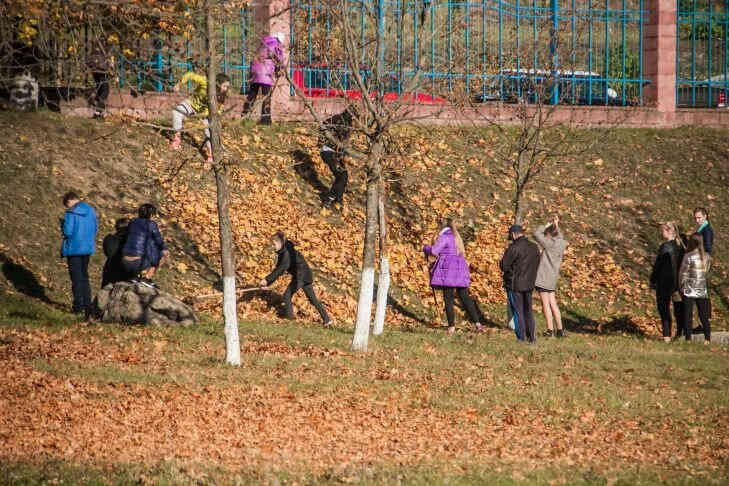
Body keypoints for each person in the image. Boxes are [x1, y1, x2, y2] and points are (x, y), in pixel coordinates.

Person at [424, 219, 484, 334]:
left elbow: (434, 251)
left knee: (448, 298)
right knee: (465, 297)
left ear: (441, 228)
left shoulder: (444, 237)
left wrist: (426, 248)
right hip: (460, 270)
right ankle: (478, 323)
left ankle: (451, 326)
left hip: (448, 271)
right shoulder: (457, 237)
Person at [259, 231, 332, 327]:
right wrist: (267, 283)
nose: (273, 246)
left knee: (287, 295)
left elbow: (281, 269)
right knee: (312, 299)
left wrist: (267, 280)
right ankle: (327, 319)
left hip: (301, 277)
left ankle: (290, 319)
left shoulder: (287, 253)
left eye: (274, 244)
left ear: (280, 242)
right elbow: (278, 269)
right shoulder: (283, 251)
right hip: (304, 275)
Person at [170, 71, 232, 162]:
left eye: (227, 87)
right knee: (176, 112)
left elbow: (218, 109)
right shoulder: (205, 82)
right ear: (218, 83)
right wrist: (179, 84)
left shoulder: (221, 95)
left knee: (208, 130)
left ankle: (210, 155)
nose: (226, 89)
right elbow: (189, 75)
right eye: (225, 86)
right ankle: (177, 139)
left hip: (204, 113)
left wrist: (214, 115)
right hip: (191, 104)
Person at [500, 224, 541, 343]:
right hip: (529, 283)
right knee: (528, 310)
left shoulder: (513, 248)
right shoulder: (534, 247)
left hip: (515, 285)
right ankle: (532, 337)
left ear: (513, 234)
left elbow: (504, 266)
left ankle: (521, 337)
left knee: (518, 311)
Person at [60, 191, 98, 317]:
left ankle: (78, 307)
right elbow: (96, 228)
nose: (67, 207)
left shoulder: (71, 213)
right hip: (87, 247)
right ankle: (88, 305)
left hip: (74, 248)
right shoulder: (91, 210)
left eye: (67, 204)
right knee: (84, 276)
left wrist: (62, 226)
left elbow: (68, 232)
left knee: (76, 278)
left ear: (69, 201)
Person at [533, 216, 568, 338]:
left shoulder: (549, 244)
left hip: (543, 278)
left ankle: (550, 330)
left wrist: (547, 224)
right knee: (553, 303)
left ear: (549, 234)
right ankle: (560, 330)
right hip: (553, 277)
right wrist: (556, 224)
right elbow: (559, 235)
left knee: (546, 304)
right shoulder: (561, 243)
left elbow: (536, 234)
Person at [650, 222, 685, 342]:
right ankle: (681, 333)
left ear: (669, 231)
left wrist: (652, 280)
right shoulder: (681, 245)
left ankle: (666, 336)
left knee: (663, 308)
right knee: (678, 308)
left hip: (665, 281)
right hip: (678, 282)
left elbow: (658, 266)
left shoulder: (665, 247)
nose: (661, 233)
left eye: (663, 231)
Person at [121, 204, 168, 288]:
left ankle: (135, 276)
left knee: (143, 245)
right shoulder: (151, 224)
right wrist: (164, 249)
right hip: (138, 262)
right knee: (162, 254)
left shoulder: (132, 222)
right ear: (151, 215)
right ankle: (147, 278)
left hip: (124, 260)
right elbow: (158, 239)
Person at [241, 34, 284, 125]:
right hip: (266, 73)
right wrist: (279, 70)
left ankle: (244, 116)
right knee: (266, 97)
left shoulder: (263, 43)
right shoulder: (276, 45)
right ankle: (265, 120)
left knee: (252, 94)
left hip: (255, 71)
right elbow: (280, 59)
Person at [679, 233, 711, 344]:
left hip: (689, 288)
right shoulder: (706, 256)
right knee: (703, 315)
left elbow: (683, 273)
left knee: (688, 315)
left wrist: (681, 285)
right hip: (702, 288)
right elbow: (706, 271)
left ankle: (688, 339)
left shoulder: (689, 256)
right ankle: (707, 338)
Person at [320, 107, 354, 208]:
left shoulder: (338, 119)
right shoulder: (343, 122)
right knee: (342, 175)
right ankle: (330, 199)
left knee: (344, 175)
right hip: (329, 152)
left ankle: (337, 199)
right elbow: (324, 126)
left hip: (334, 152)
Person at [101, 218, 131, 288]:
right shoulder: (130, 241)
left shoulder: (109, 238)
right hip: (125, 272)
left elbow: (108, 253)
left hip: (110, 269)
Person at [87, 42, 111, 120]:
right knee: (105, 91)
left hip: (95, 70)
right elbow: (107, 59)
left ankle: (99, 114)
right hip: (102, 70)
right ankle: (97, 112)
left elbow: (89, 60)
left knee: (100, 90)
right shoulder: (105, 44)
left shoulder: (96, 44)